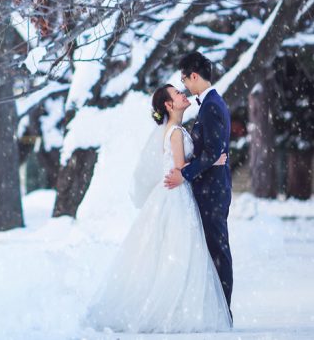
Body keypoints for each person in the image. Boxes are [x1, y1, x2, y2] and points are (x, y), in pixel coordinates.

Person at [86, 83, 232, 333]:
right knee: (180, 249)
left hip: (174, 194)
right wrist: (213, 160)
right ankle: (173, 306)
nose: (182, 94)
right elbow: (179, 166)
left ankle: (176, 304)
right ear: (168, 105)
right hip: (176, 195)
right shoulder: (175, 132)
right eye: (177, 93)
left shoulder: (177, 129)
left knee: (175, 250)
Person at [164, 50, 234, 317]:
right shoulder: (210, 104)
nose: (184, 86)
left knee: (218, 248)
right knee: (212, 248)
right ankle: (215, 309)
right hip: (209, 188)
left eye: (184, 80)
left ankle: (223, 311)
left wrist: (186, 173)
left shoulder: (212, 105)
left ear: (194, 76)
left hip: (213, 191)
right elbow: (212, 152)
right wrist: (210, 160)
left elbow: (214, 150)